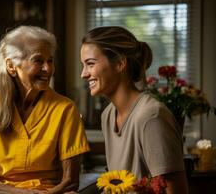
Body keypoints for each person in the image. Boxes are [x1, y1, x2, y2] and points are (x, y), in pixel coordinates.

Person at [0, 26, 90, 194]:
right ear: (11, 66)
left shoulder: (65, 109)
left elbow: (70, 182)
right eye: (38, 61)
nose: (48, 69)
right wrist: (21, 193)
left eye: (50, 60)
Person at [80, 26, 188, 194]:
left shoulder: (151, 117)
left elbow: (177, 190)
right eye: (83, 65)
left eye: (90, 64)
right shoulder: (108, 115)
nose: (84, 74)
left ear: (120, 64)